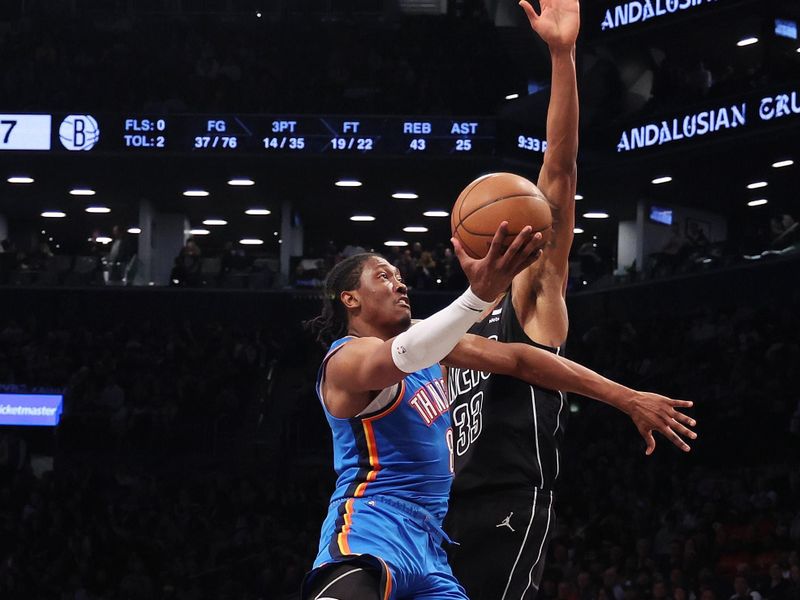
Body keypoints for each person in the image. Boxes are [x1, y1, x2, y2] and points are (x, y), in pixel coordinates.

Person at [445, 2, 693, 599]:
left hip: (510, 499)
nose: (502, 239)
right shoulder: (453, 323)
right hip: (444, 509)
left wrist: (561, 56)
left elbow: (560, 169)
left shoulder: (534, 297)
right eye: (491, 232)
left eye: (510, 232)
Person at [301, 227, 696, 599]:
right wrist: (475, 300)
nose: (400, 283)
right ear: (350, 298)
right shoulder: (344, 359)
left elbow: (521, 360)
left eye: (400, 275)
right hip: (371, 526)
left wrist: (627, 398)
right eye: (384, 276)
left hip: (432, 540)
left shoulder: (427, 342)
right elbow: (404, 354)